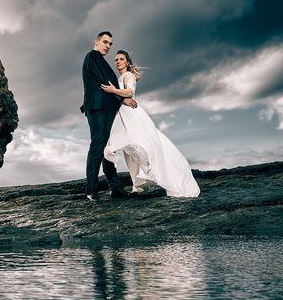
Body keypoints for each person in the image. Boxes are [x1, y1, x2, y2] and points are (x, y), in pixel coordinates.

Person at [100, 50, 200, 197]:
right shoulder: (119, 77)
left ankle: (142, 182)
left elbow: (130, 92)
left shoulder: (129, 76)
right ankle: (137, 186)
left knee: (138, 146)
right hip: (121, 114)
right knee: (129, 150)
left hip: (131, 115)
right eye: (116, 60)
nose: (118, 61)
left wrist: (113, 90)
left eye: (121, 59)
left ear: (127, 62)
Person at [80, 31, 137, 201]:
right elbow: (105, 83)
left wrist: (120, 98)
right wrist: (123, 98)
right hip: (99, 108)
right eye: (105, 42)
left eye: (110, 44)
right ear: (96, 42)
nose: (108, 46)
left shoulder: (100, 60)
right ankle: (91, 190)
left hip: (105, 108)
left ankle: (116, 187)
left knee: (106, 148)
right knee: (98, 146)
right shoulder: (93, 57)